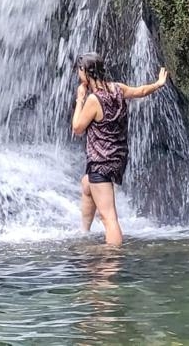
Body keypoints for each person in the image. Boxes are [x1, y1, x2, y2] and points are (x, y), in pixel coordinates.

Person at [69, 53, 169, 245]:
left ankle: (112, 260)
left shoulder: (93, 100)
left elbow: (77, 128)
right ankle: (84, 233)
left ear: (86, 72)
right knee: (86, 184)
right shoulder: (118, 88)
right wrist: (157, 84)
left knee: (109, 217)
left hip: (101, 161)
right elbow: (139, 91)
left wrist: (79, 99)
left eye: (79, 70)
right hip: (117, 158)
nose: (78, 73)